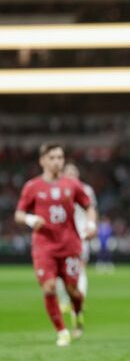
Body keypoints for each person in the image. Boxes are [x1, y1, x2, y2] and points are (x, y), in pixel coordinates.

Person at [14, 143, 97, 346]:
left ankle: (77, 313)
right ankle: (61, 331)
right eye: (52, 158)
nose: (57, 161)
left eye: (60, 157)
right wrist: (31, 220)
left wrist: (92, 223)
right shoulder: (32, 186)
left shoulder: (72, 185)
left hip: (69, 245)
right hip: (44, 246)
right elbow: (19, 214)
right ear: (42, 161)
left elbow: (88, 206)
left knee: (73, 290)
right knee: (49, 287)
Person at [57, 163, 97, 317]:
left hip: (81, 234)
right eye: (68, 172)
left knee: (80, 269)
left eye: (74, 172)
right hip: (60, 236)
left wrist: (92, 226)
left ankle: (79, 301)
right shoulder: (58, 189)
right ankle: (65, 301)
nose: (71, 175)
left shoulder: (86, 190)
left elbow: (92, 210)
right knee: (61, 271)